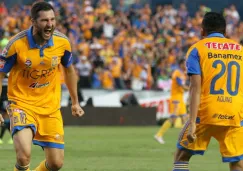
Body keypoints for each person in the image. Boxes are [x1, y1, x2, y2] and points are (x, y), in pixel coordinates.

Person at [0, 2, 84, 171]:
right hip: (21, 104)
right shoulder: (15, 44)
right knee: (23, 156)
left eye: (52, 20)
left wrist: (75, 102)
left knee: (55, 164)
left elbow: (69, 71)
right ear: (33, 21)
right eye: (45, 20)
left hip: (50, 108)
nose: (50, 24)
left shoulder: (62, 43)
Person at [173, 12, 243, 171]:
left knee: (181, 157)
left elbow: (195, 88)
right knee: (237, 163)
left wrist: (191, 123)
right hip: (234, 113)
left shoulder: (197, 49)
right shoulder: (240, 50)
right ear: (225, 32)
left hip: (206, 112)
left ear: (202, 31)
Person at [154, 59, 188, 144]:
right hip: (175, 97)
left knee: (184, 118)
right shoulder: (177, 72)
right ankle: (158, 135)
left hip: (180, 97)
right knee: (173, 118)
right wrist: (191, 89)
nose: (186, 65)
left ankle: (184, 140)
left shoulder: (183, 73)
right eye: (185, 63)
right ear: (181, 64)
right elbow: (181, 84)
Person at [0, 73, 13, 144]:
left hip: (6, 100)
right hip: (4, 100)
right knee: (6, 120)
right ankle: (12, 137)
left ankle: (2, 138)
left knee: (6, 119)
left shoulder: (9, 79)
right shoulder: (6, 78)